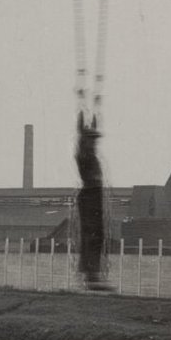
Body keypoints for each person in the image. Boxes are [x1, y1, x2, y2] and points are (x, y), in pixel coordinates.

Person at [74, 114, 108, 287]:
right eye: (92, 140)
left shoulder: (91, 155)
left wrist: (93, 119)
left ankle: (92, 273)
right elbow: (80, 133)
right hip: (90, 194)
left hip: (95, 194)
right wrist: (82, 117)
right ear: (85, 141)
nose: (95, 143)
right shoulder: (83, 155)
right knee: (92, 235)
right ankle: (90, 275)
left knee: (97, 235)